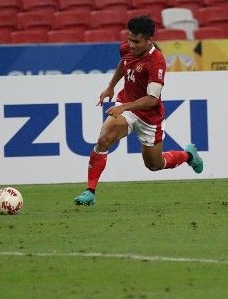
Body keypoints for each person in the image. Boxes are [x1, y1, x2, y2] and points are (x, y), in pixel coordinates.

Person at [74, 15, 204, 206]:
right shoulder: (127, 47)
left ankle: (188, 155)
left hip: (149, 116)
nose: (131, 44)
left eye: (136, 41)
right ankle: (90, 192)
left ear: (149, 40)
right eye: (130, 39)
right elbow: (124, 63)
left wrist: (125, 107)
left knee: (154, 164)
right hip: (126, 105)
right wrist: (111, 86)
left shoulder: (157, 62)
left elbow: (152, 100)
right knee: (104, 139)